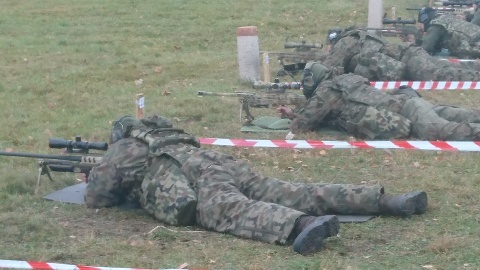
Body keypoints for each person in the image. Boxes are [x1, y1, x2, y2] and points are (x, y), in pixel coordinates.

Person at [85, 115, 428, 256]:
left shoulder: (123, 149)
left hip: (199, 180)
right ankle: (387, 201)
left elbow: (98, 197)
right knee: (297, 190)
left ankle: (302, 226)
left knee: (235, 211)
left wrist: (94, 173)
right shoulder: (166, 135)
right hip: (221, 165)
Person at [277, 62, 480, 140]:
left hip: (408, 110)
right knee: (456, 113)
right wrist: (294, 112)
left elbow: (303, 125)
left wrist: (294, 117)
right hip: (407, 103)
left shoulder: (327, 91)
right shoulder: (342, 81)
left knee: (441, 132)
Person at [322, 27, 480, 81]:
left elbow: (327, 70)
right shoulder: (359, 36)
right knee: (446, 65)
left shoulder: (344, 43)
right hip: (410, 52)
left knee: (443, 75)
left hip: (409, 61)